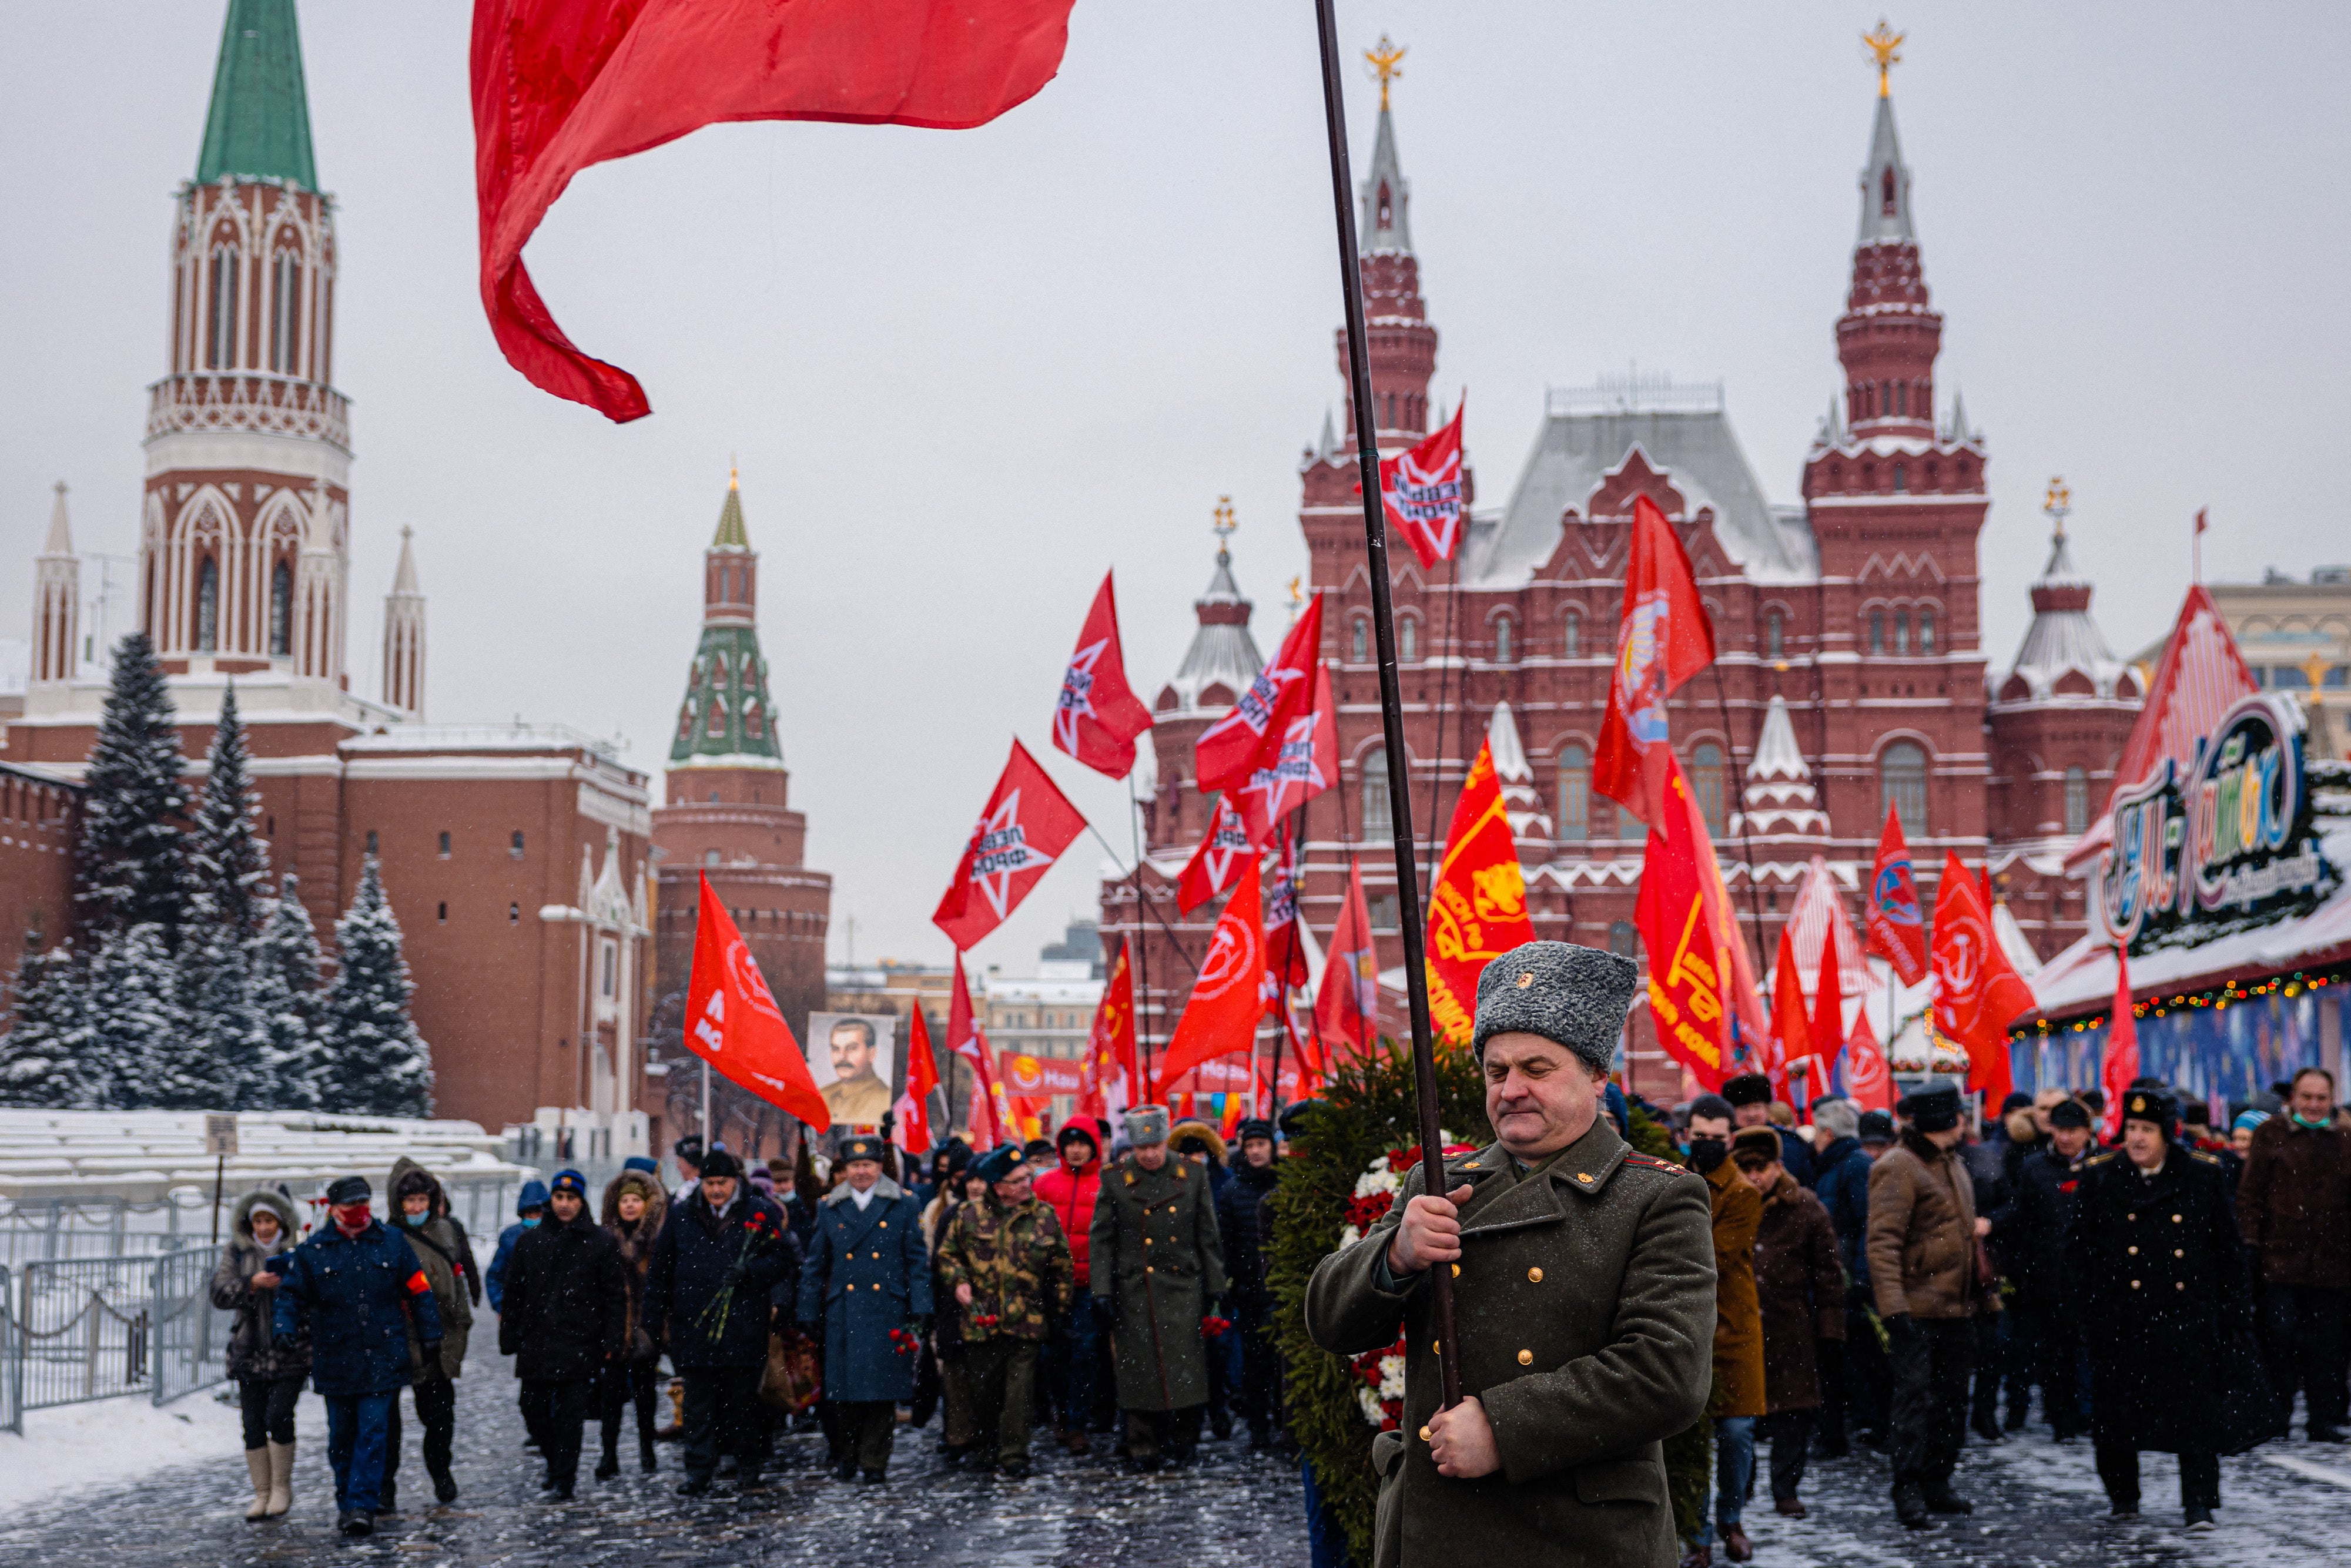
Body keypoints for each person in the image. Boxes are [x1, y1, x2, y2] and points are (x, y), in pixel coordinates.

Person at [1307, 941, 1714, 1568]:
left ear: (1596, 1076)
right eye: (1497, 1072)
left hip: (1576, 1539)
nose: (1512, 1089)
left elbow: (1666, 1374)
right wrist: (1395, 1255)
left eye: (1536, 1068)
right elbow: (1332, 1323)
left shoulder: (1655, 1195)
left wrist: (1503, 1426)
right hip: (1436, 1533)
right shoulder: (1436, 1183)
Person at [2065, 1087, 2252, 1529]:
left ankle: (2199, 1502)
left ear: (2169, 1134)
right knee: (2115, 1419)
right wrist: (2081, 1313)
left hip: (2184, 1318)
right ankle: (2123, 1498)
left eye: (2148, 1129)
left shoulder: (2202, 1176)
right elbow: (2078, 1253)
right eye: (2131, 1128)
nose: (2138, 1139)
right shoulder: (2101, 1177)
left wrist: (2233, 1314)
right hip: (2120, 1320)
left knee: (2195, 1418)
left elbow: (2227, 1251)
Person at [273, 1175, 444, 1537]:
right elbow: (290, 1296)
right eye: (351, 1205)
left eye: (364, 1204)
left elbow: (419, 1289)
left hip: (383, 1355)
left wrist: (431, 1333)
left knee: (374, 1432)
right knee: (342, 1436)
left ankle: (362, 1506)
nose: (359, 1212)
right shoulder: (314, 1252)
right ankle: (346, 1499)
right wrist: (284, 1328)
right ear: (333, 1209)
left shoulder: (392, 1243)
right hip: (336, 1358)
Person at [1867, 1083, 1993, 1529]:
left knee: (1952, 1402)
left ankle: (1938, 1481)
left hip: (1957, 1310)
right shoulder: (1898, 1166)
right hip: (1917, 1310)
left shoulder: (1952, 1162)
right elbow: (1882, 1244)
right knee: (1914, 1404)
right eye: (1958, 1113)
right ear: (1948, 1119)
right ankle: (1909, 1488)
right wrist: (1895, 1309)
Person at [647, 1148, 799, 1496]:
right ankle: (699, 1471)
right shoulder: (683, 1215)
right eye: (710, 1183)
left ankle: (747, 1466)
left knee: (742, 1404)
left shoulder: (759, 1213)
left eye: (723, 1183)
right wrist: (654, 1321)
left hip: (742, 1325)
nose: (716, 1190)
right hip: (695, 1325)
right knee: (697, 1404)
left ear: (736, 1182)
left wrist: (752, 1273)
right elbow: (661, 1270)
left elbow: (783, 1260)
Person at [1095, 1106, 1228, 1470]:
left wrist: (1216, 1285)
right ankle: (1142, 1445)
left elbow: (1208, 1234)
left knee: (1185, 1368)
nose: (1150, 1154)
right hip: (1135, 1290)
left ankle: (1184, 1440)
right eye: (1142, 1148)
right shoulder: (1115, 1179)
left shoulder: (1193, 1175)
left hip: (1183, 1286)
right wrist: (1102, 1290)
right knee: (1138, 1371)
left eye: (1155, 1145)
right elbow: (1103, 1240)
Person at [795, 1133, 932, 1482]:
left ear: (879, 1166)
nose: (861, 1172)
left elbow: (916, 1262)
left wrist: (921, 1307)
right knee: (843, 1393)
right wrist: (808, 1312)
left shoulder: (904, 1204)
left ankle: (875, 1462)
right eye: (855, 1165)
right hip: (844, 1310)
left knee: (881, 1393)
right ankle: (846, 1456)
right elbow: (815, 1264)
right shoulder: (830, 1206)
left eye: (868, 1165)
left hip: (887, 1307)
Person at [936, 1143, 1072, 1477]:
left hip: (1027, 1320)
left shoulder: (1044, 1217)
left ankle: (1014, 1452)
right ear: (998, 1186)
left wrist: (1060, 1310)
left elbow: (1061, 1267)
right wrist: (958, 1283)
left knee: (1019, 1390)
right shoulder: (967, 1215)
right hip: (982, 1321)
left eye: (1027, 1177)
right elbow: (947, 1256)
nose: (1027, 1184)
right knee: (984, 1390)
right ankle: (985, 1446)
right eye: (1017, 1180)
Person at [2236, 1065, 2350, 1442]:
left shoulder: (2347, 1138)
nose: (2314, 1105)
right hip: (2280, 1263)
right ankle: (2275, 1416)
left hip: (2334, 1266)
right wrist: (2251, 1244)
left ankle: (2326, 1418)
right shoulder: (2271, 1135)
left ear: (2332, 1100)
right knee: (2279, 1343)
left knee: (2329, 1348)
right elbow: (2250, 1195)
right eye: (2307, 1097)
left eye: (2321, 1098)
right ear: (2294, 1099)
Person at [1736, 1127, 1844, 1522]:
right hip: (1737, 1328)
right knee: (1739, 1418)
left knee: (1793, 1414)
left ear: (1778, 1167)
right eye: (1745, 1167)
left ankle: (1786, 1490)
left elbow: (1830, 1274)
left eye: (1761, 1167)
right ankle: (1739, 1488)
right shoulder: (1725, 1204)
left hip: (1792, 1326)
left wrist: (1830, 1330)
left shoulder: (1807, 1208)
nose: (1754, 1176)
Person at [499, 1168, 627, 1499]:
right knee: (533, 1409)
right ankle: (555, 1461)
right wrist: (510, 1332)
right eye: (559, 1197)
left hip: (580, 1342)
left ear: (582, 1201)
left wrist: (612, 1340)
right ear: (550, 1200)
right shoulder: (530, 1241)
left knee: (572, 1415)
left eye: (571, 1198)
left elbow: (615, 1296)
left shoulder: (601, 1242)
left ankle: (564, 1478)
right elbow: (514, 1290)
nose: (565, 1204)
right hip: (537, 1342)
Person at [1682, 1095, 1766, 1566]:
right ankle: (1698, 1535)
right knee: (1692, 1436)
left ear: (1730, 1139)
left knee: (1735, 1434)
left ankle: (1732, 1518)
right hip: (1685, 1329)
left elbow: (1710, 1257)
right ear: (1687, 1134)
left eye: (1717, 1138)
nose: (1708, 1145)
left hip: (1733, 1330)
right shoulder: (1671, 1177)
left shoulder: (1742, 1192)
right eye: (1700, 1137)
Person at [1992, 1096, 2095, 1439]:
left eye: (2073, 1131)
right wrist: (1992, 1225)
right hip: (2047, 1276)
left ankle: (2090, 1413)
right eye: (2060, 1130)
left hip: (2093, 1276)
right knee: (2054, 1353)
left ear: (2087, 1132)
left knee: (2091, 1349)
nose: (2066, 1138)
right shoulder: (2035, 1167)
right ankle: (2061, 1418)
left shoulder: (2104, 1166)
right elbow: (2020, 1214)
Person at [211, 1187, 309, 1520]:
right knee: (252, 1424)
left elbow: (312, 1293)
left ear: (281, 1222)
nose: (264, 1228)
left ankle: (281, 1487)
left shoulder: (297, 1251)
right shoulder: (237, 1252)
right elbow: (219, 1292)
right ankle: (261, 1492)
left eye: (270, 1220)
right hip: (249, 1351)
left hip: (290, 1351)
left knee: (279, 1415)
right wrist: (251, 1284)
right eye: (259, 1221)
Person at [383, 1159, 475, 1509]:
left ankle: (441, 1472)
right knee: (388, 1423)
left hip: (440, 1338)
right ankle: (385, 1485)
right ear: (398, 1203)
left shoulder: (446, 1232)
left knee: (439, 1416)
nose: (417, 1208)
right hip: (401, 1337)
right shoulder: (388, 1237)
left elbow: (458, 1277)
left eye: (423, 1200)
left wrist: (462, 1322)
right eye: (410, 1201)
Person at [1033, 1120, 1107, 1453]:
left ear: (1094, 1147)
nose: (1076, 1150)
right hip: (1049, 1285)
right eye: (1069, 1144)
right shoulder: (1045, 1184)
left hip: (1088, 1285)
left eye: (1083, 1143)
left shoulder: (1107, 1183)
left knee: (1085, 1353)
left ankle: (1078, 1423)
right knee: (1052, 1355)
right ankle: (1061, 1415)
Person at [1215, 1117, 1285, 1450]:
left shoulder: (1285, 1183)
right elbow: (1225, 1242)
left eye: (1262, 1144)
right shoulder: (1233, 1189)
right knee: (1255, 1363)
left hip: (1283, 1288)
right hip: (1250, 1290)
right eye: (1250, 1146)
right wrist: (1230, 1284)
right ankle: (1258, 1426)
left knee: (1283, 1363)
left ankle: (1285, 1423)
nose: (1256, 1151)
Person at [597, 1165, 669, 1477]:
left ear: (646, 1206)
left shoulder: (657, 1241)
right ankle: (609, 1454)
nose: (629, 1206)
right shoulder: (603, 1240)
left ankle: (646, 1448)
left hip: (646, 1328)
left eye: (636, 1201)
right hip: (612, 1329)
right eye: (624, 1200)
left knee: (645, 1393)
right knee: (609, 1396)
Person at [926, 1154, 988, 1465]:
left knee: (985, 1377)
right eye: (971, 1180)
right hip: (954, 1309)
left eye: (982, 1179)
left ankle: (984, 1437)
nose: (976, 1186)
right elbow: (938, 1266)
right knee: (955, 1377)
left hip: (989, 1309)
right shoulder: (951, 1215)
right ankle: (958, 1436)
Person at [1720, 1073, 1813, 1187]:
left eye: (1757, 1107)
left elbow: (1805, 1184)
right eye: (1744, 1108)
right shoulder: (1723, 1142)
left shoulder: (1790, 1142)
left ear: (1767, 1109)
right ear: (1732, 1112)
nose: (1752, 1114)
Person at [488, 1178, 549, 1315]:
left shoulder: (556, 1235)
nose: (534, 1217)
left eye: (538, 1213)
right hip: (518, 1312)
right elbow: (495, 1276)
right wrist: (501, 1306)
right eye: (529, 1213)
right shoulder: (510, 1237)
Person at [820, 1017, 894, 1125]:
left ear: (871, 1054)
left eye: (851, 1048)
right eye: (836, 1049)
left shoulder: (885, 1098)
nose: (842, 1057)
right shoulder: (823, 1096)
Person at [671, 1137, 705, 1204]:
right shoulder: (684, 1191)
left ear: (691, 1162)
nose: (678, 1167)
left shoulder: (701, 1192)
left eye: (679, 1162)